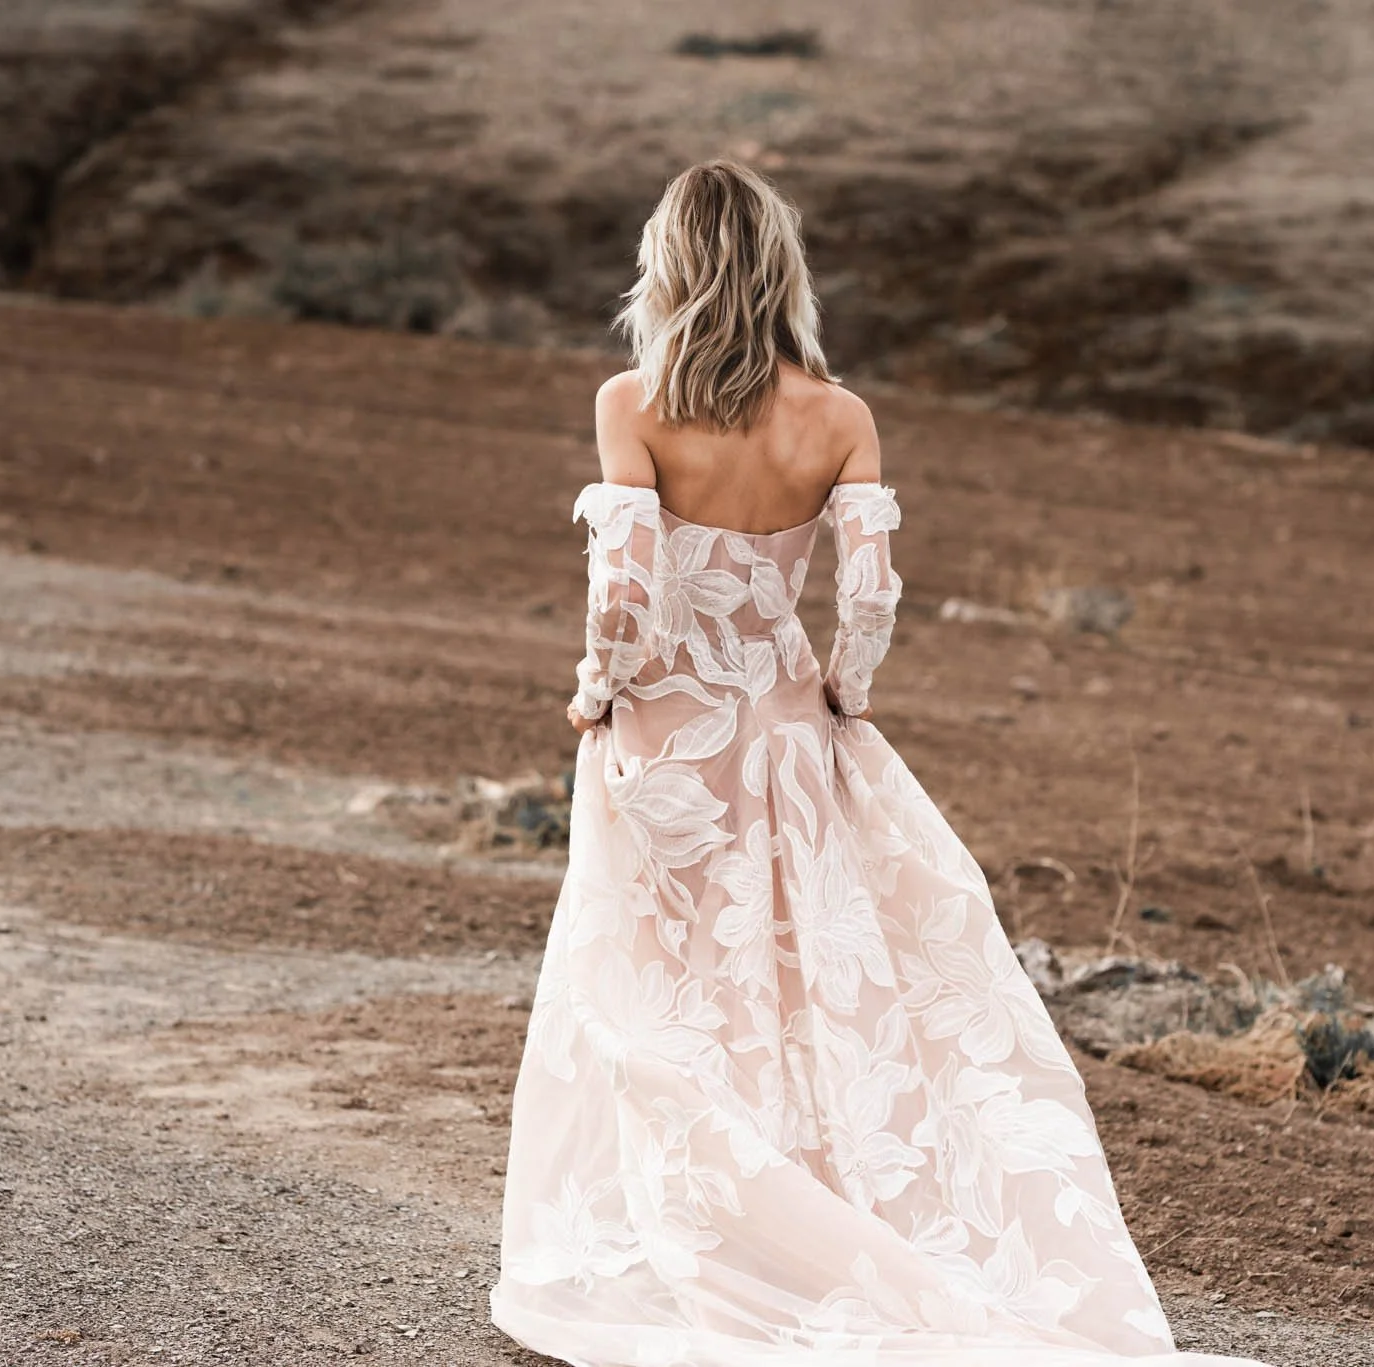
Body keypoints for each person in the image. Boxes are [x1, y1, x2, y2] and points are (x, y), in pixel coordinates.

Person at [491, 159, 1266, 1367]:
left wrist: (598, 690)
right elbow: (868, 593)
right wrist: (842, 692)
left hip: (660, 740)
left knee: (659, 997)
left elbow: (625, 591)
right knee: (799, 987)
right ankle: (816, 1220)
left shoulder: (630, 401)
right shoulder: (839, 417)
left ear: (671, 265)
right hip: (791, 735)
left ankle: (703, 1233)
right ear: (778, 267)